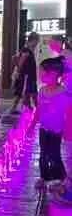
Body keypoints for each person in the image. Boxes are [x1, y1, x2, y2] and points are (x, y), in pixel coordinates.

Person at [35, 57, 69, 188]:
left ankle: (61, 178)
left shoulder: (64, 93)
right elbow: (38, 110)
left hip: (56, 129)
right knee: (43, 154)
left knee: (54, 154)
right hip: (44, 128)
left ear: (53, 74)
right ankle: (44, 177)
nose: (40, 75)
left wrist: (67, 130)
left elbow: (68, 114)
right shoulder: (42, 90)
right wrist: (32, 125)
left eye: (42, 72)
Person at [11, 32, 40, 114]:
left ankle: (29, 107)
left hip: (29, 76)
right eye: (37, 41)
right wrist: (19, 72)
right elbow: (21, 62)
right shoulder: (26, 50)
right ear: (33, 40)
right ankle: (36, 109)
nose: (37, 43)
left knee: (25, 93)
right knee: (28, 92)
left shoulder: (28, 49)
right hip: (26, 76)